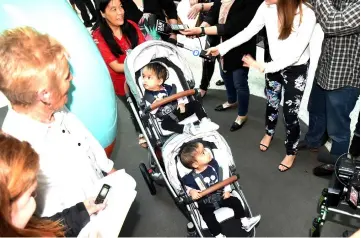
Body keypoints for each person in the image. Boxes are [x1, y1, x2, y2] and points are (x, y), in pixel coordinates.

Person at [0, 26, 117, 217]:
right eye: (66, 76)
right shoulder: (16, 152)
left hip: (98, 201)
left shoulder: (55, 106)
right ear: (44, 94)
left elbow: (84, 137)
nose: (72, 79)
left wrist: (108, 168)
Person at [207, 0, 316, 171]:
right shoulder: (266, 6)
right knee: (271, 102)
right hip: (272, 64)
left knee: (290, 113)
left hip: (296, 68)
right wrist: (221, 48)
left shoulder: (306, 13)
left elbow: (295, 55)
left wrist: (262, 66)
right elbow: (248, 31)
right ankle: (269, 132)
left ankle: (291, 151)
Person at [296, 0, 360, 176]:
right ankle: (313, 141)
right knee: (315, 110)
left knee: (337, 128)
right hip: (325, 70)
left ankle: (337, 165)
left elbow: (332, 23)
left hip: (344, 79)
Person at [0, 133, 106, 237]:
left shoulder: (26, 226)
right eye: (30, 194)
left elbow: (47, 228)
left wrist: (81, 211)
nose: (35, 191)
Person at [181, 0, 263, 132]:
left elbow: (233, 27)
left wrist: (201, 30)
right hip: (222, 45)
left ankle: (242, 114)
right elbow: (213, 13)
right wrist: (200, 29)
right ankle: (231, 100)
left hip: (241, 47)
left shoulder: (252, 3)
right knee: (225, 74)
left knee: (240, 81)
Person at [92, 0, 147, 147]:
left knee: (149, 103)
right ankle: (141, 132)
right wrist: (140, 63)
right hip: (122, 83)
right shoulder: (98, 36)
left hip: (144, 76)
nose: (120, 12)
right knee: (134, 108)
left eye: (121, 7)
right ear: (103, 13)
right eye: (113, 9)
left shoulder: (131, 26)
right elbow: (116, 66)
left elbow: (145, 51)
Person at [180, 141, 261, 237]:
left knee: (235, 201)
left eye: (205, 149)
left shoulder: (214, 164)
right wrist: (192, 191)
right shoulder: (190, 178)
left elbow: (224, 176)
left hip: (221, 195)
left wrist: (226, 190)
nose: (207, 151)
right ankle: (218, 234)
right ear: (195, 165)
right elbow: (188, 188)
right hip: (205, 201)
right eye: (203, 153)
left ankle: (245, 221)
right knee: (207, 216)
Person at [142, 62, 219, 134]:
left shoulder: (169, 88)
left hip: (179, 111)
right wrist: (156, 104)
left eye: (149, 78)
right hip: (167, 117)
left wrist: (181, 103)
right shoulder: (148, 96)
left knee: (195, 104)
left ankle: (205, 121)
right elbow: (151, 112)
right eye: (143, 77)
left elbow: (178, 96)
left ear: (159, 81)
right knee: (164, 125)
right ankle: (186, 129)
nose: (144, 80)